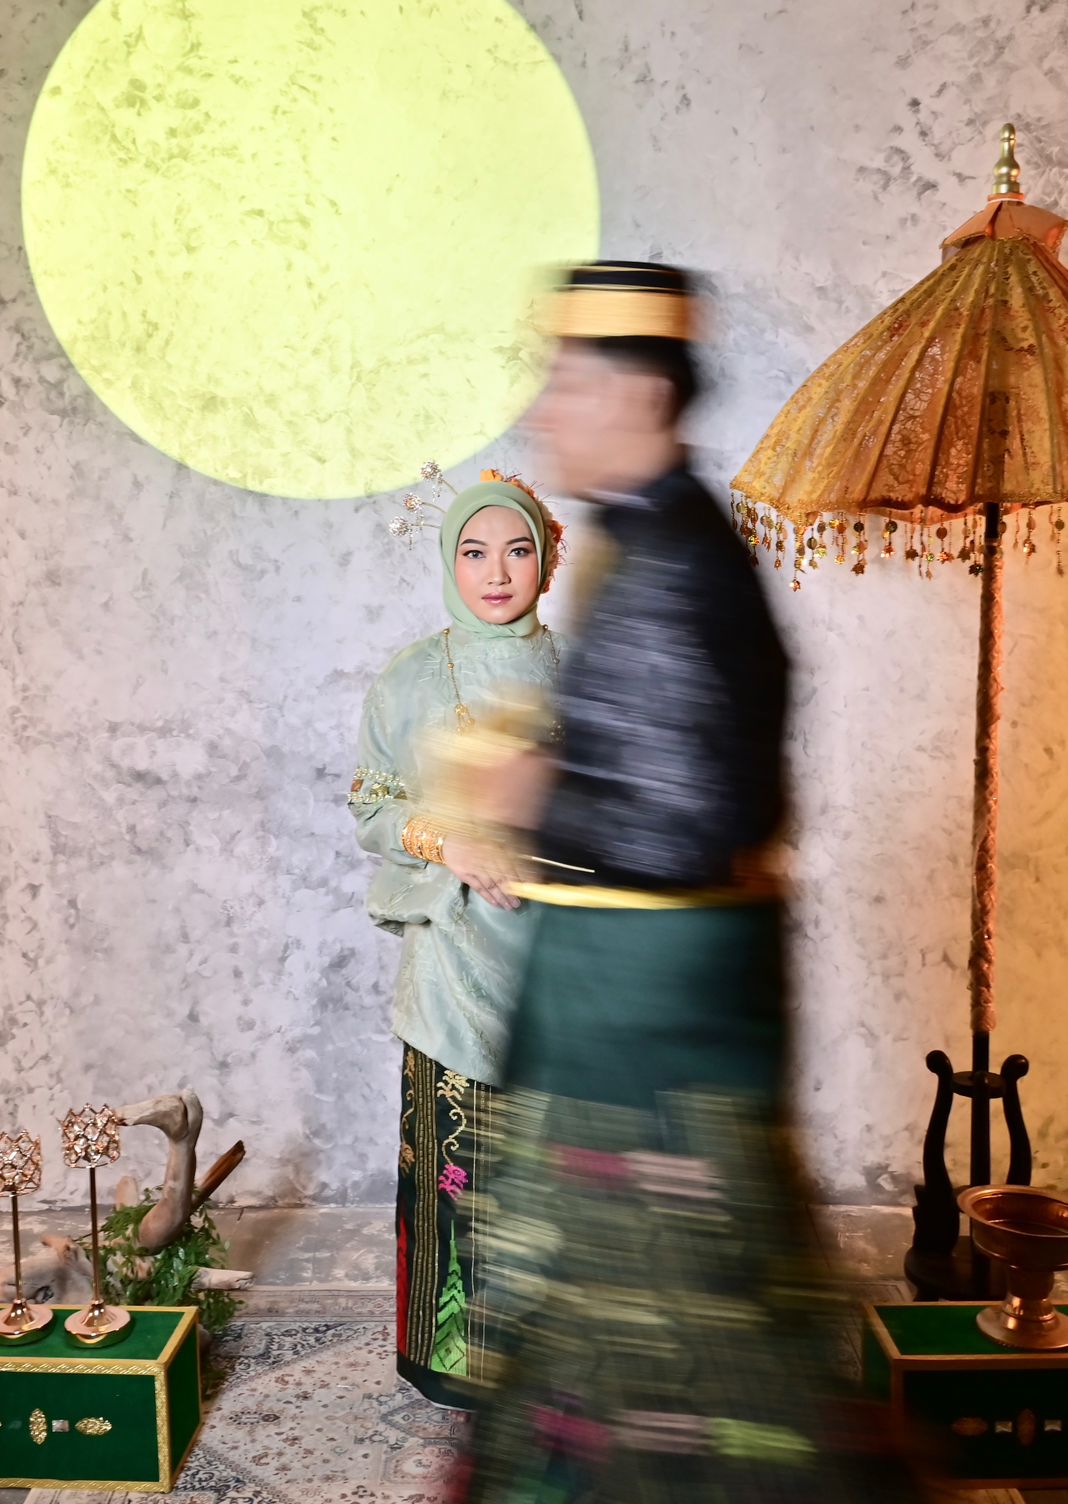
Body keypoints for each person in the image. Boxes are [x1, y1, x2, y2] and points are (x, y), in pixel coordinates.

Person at [450, 263, 920, 1502]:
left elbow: (694, 822)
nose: (546, 410)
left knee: (688, 1341)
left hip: (649, 1045)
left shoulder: (675, 562)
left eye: (568, 383)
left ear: (642, 395)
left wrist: (530, 793)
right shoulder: (650, 540)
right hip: (634, 1022)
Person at [350, 470, 566, 1409]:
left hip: (565, 960)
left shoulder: (585, 675)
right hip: (454, 957)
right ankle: (456, 1364)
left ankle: (557, 1364)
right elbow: (371, 806)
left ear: (547, 561)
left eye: (517, 550)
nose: (497, 573)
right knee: (457, 1162)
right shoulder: (409, 679)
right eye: (474, 553)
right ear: (450, 563)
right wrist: (455, 845)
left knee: (564, 1168)